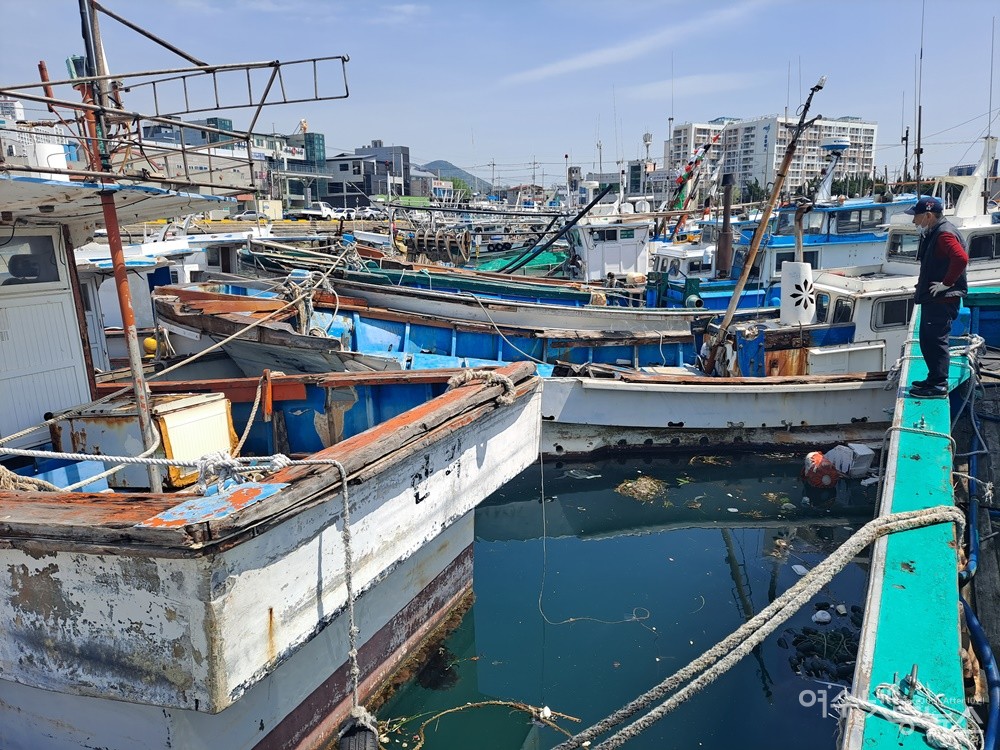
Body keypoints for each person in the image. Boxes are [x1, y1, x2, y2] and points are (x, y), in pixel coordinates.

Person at [906, 196, 968, 399]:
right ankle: (933, 379)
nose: (914, 221)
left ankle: (939, 385)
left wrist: (947, 284)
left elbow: (960, 258)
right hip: (936, 298)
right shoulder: (937, 231)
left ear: (928, 215)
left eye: (916, 217)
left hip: (941, 300)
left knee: (935, 341)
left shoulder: (943, 234)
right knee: (927, 340)